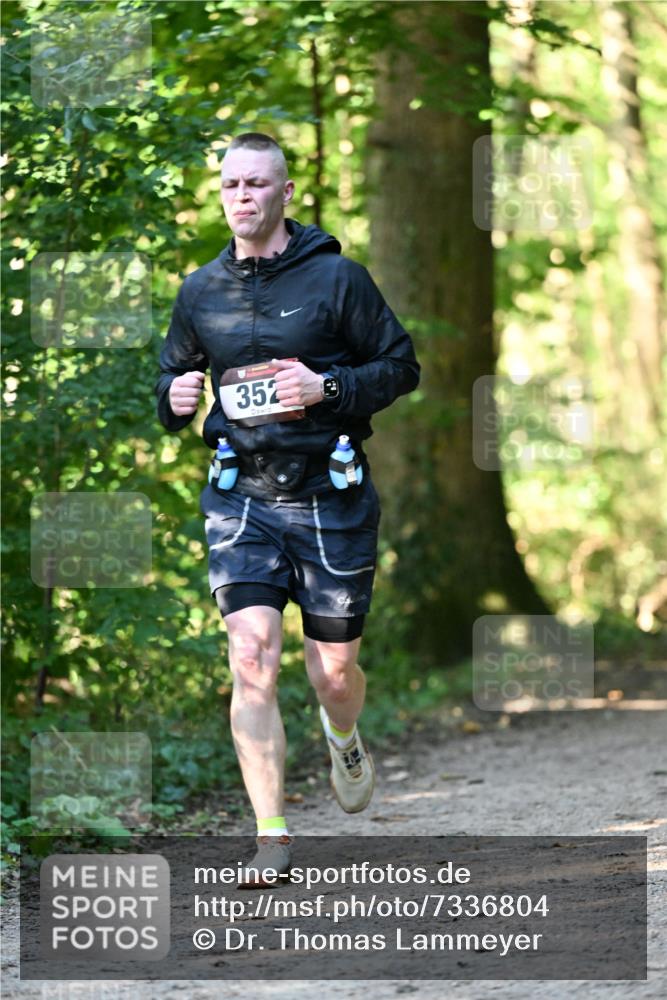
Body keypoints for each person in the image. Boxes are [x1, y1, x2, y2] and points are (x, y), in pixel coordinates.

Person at [155, 133, 420, 886]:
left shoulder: (339, 279)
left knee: (334, 671)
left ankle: (342, 731)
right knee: (250, 657)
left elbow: (401, 367)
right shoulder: (200, 290)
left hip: (329, 492)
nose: (242, 196)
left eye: (257, 184)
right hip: (241, 495)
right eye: (231, 184)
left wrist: (328, 390)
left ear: (284, 194)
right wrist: (171, 399)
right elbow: (174, 377)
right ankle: (271, 836)